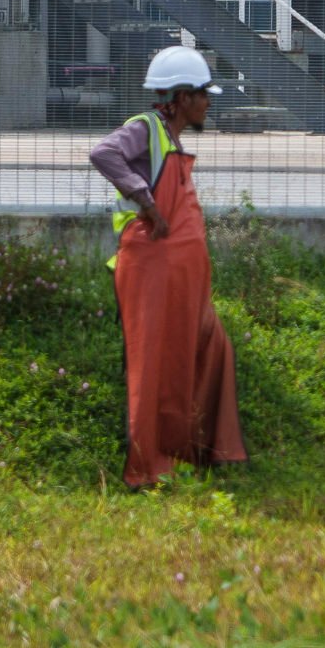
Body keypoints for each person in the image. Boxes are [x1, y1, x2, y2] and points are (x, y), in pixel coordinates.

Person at [88, 43, 246, 488]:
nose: (208, 103)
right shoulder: (145, 128)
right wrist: (148, 202)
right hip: (149, 268)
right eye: (201, 94)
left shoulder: (171, 137)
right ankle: (149, 464)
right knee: (154, 363)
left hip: (178, 275)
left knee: (209, 348)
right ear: (180, 97)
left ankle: (194, 449)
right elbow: (103, 154)